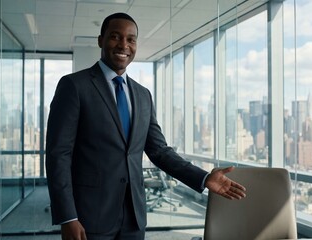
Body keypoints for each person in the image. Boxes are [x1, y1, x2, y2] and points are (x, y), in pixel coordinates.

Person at [45, 12, 246, 240]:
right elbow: (58, 154)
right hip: (88, 215)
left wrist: (203, 178)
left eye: (131, 39)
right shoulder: (74, 86)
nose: (124, 45)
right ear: (101, 40)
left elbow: (159, 151)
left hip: (134, 217)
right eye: (115, 36)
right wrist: (68, 217)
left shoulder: (142, 95)